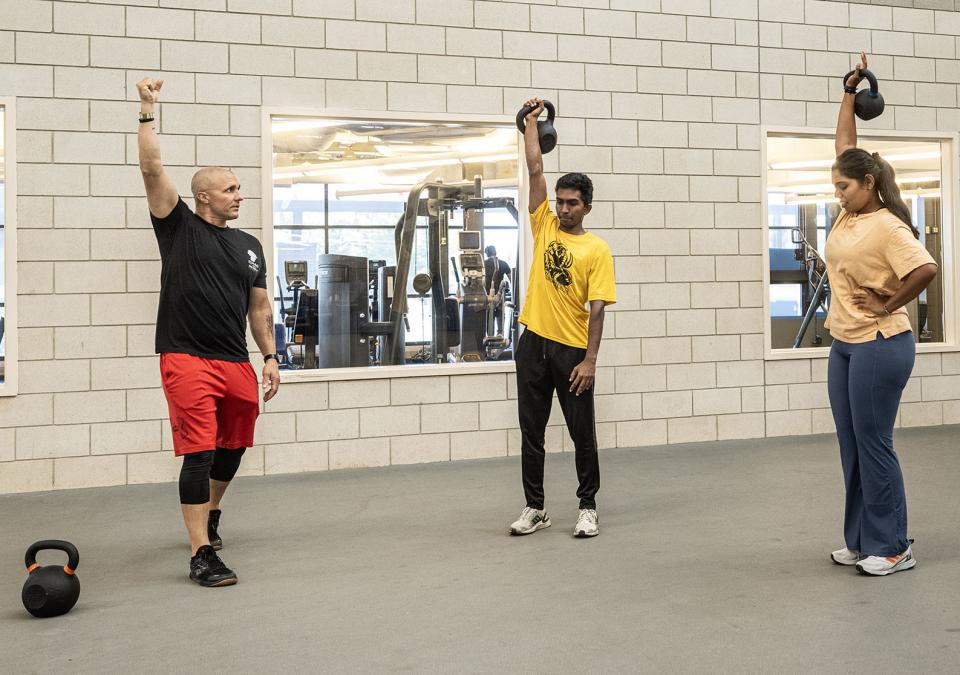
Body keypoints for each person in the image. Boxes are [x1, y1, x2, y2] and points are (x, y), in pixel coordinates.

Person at [137, 77, 281, 587]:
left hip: (235, 360)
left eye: (239, 188)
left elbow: (259, 309)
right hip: (185, 357)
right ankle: (201, 553)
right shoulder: (177, 226)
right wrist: (147, 110)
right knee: (198, 450)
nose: (239, 195)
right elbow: (153, 168)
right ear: (203, 196)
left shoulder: (249, 246)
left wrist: (269, 356)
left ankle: (211, 512)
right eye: (230, 189)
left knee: (234, 443)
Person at [826, 53, 938, 576]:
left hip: (880, 343)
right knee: (851, 447)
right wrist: (849, 92)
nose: (838, 194)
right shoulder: (852, 213)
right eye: (836, 187)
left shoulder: (889, 226)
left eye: (844, 187)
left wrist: (889, 302)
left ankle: (893, 545)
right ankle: (860, 539)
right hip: (845, 344)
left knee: (873, 445)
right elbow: (845, 148)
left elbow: (926, 269)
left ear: (868, 184)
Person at [509, 98, 617, 538]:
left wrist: (590, 361)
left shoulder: (597, 250)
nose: (564, 208)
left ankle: (587, 505)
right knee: (531, 433)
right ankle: (535, 507)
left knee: (581, 434)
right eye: (560, 201)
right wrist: (531, 124)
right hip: (533, 342)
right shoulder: (545, 226)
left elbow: (597, 312)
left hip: (572, 351)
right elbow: (535, 169)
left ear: (587, 206)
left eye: (572, 203)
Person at [483, 245, 512, 336]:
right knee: (500, 313)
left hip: (487, 295)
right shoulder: (503, 263)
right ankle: (500, 334)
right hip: (499, 294)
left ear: (486, 254)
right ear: (495, 252)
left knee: (488, 315)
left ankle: (490, 336)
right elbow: (512, 280)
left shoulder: (483, 264)